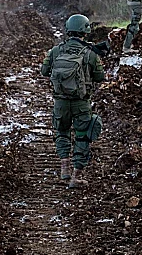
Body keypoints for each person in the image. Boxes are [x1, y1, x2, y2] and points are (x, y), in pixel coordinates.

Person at [40, 14, 105, 189]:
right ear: (86, 30)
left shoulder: (55, 51)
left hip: (60, 102)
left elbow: (44, 71)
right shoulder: (91, 53)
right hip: (81, 103)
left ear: (68, 30)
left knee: (62, 133)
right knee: (83, 136)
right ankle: (76, 176)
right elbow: (100, 77)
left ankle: (64, 167)